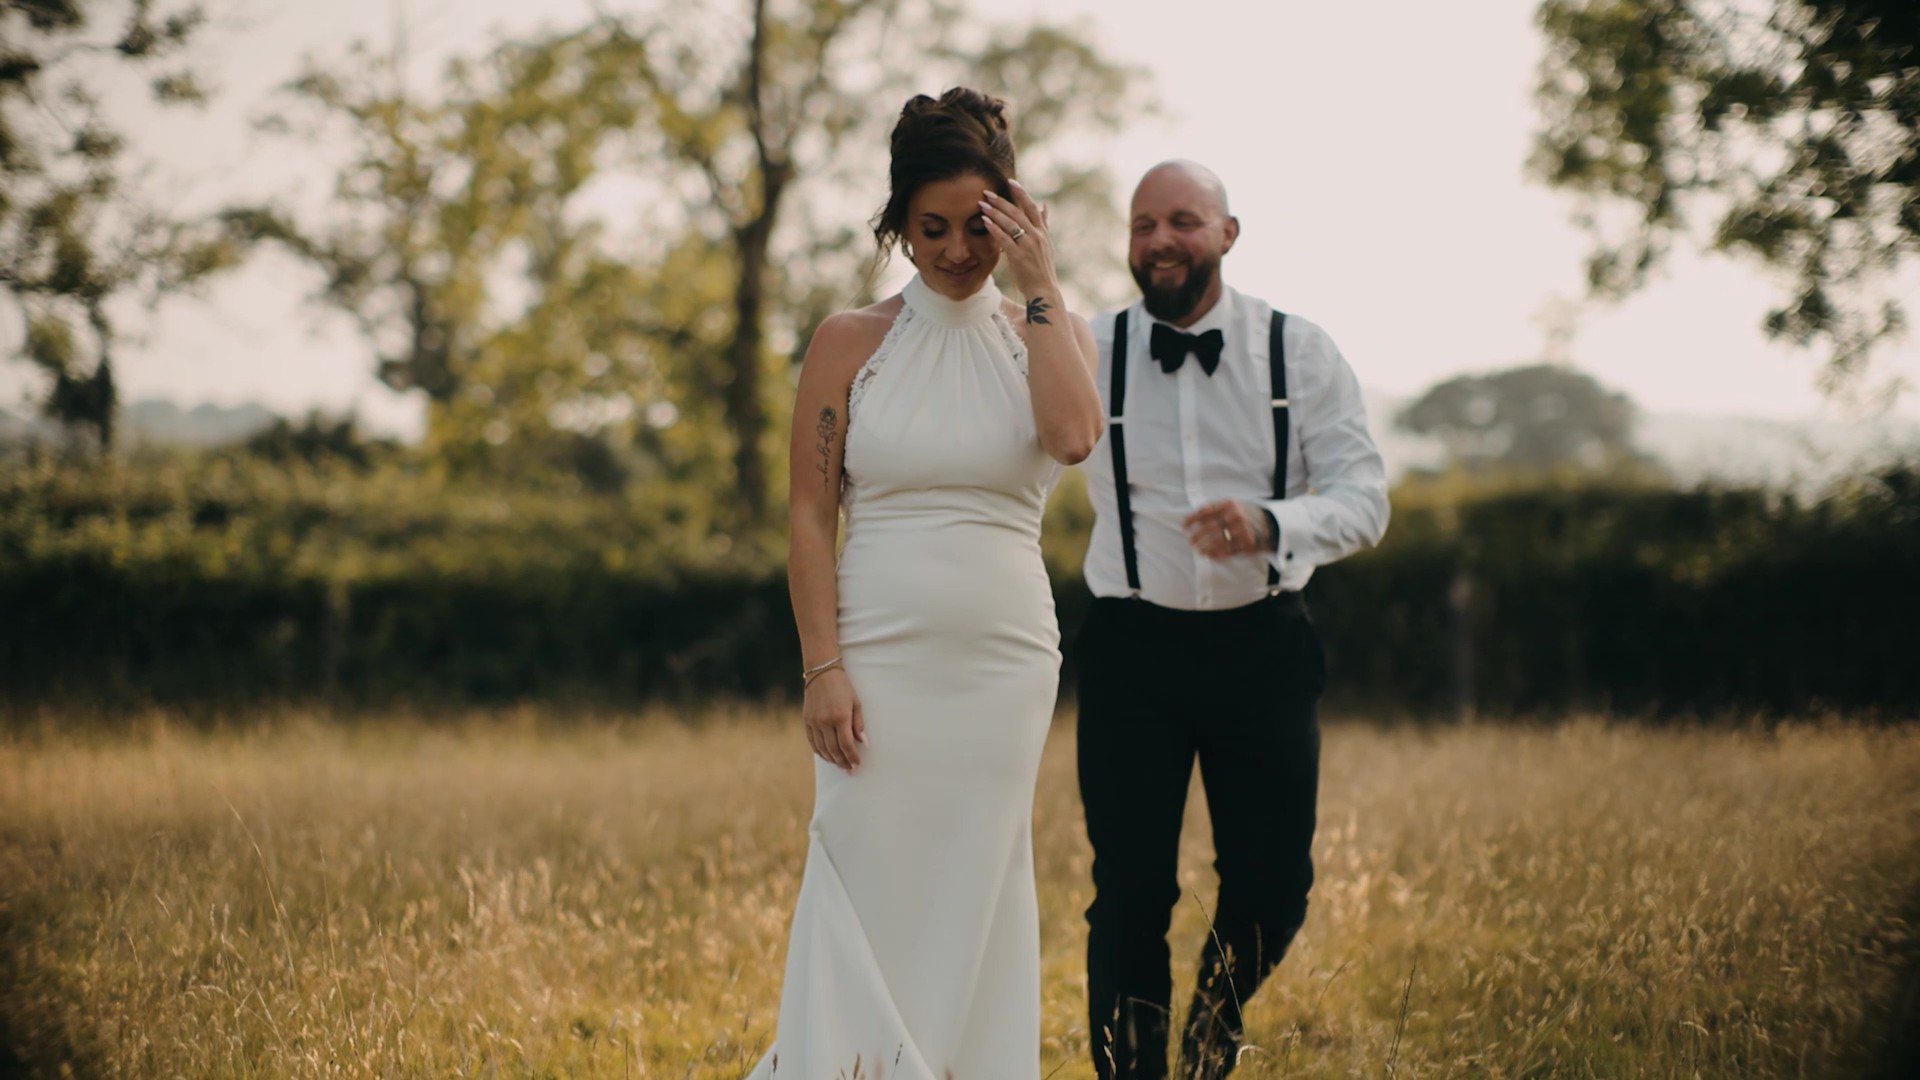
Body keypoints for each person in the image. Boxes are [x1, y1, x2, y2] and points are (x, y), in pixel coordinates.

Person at [746, 87, 1103, 1079]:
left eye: (976, 226)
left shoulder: (1047, 331)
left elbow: (1074, 438)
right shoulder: (847, 343)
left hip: (1001, 668)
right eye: (930, 227)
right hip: (876, 660)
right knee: (862, 873)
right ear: (899, 222)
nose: (954, 251)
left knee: (975, 890)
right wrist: (823, 668)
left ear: (1014, 215)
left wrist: (1041, 281)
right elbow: (810, 515)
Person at [1075, 160, 1390, 1079]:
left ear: (1227, 233)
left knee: (1273, 887)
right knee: (1128, 894)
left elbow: (1365, 501)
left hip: (1264, 644)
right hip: (1133, 651)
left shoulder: (1299, 351)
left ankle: (1213, 1024)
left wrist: (1273, 522)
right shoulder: (1090, 351)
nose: (1159, 240)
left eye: (1181, 220)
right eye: (1142, 225)